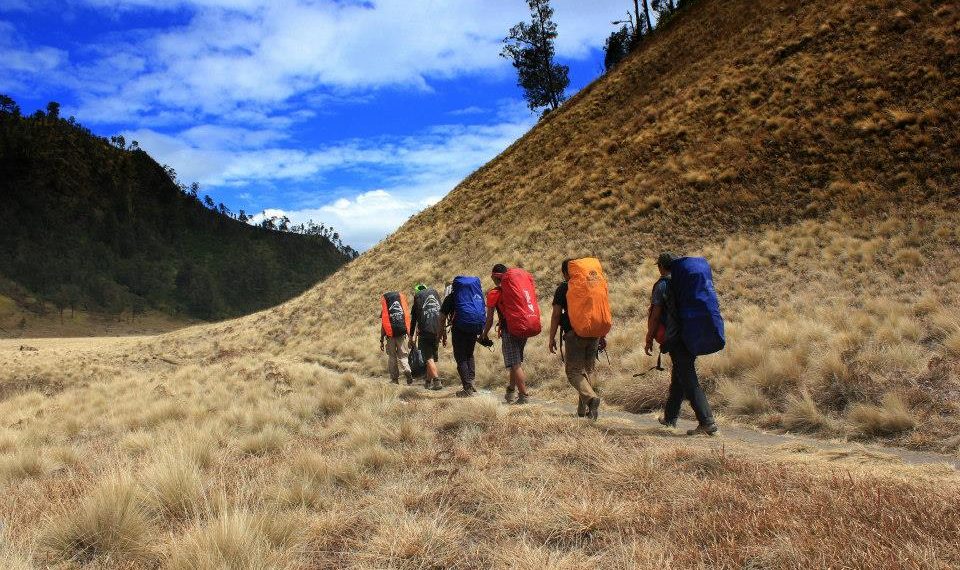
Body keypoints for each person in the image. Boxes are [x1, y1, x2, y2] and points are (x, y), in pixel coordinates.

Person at [645, 252, 718, 436]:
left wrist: (649, 337)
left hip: (676, 338)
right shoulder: (683, 282)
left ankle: (707, 422)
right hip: (690, 334)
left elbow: (655, 315)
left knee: (688, 379)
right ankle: (670, 418)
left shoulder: (663, 285)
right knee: (679, 377)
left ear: (661, 266)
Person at [549, 260, 601, 420]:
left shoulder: (564, 287)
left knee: (573, 372)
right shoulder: (591, 284)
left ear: (566, 272)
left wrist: (551, 338)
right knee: (588, 370)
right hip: (594, 332)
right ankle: (583, 411)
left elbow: (556, 315)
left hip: (574, 334)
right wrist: (602, 334)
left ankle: (591, 399)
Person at [481, 264, 530, 405]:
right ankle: (510, 391)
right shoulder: (517, 288)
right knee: (515, 361)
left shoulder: (494, 293)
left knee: (515, 363)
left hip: (509, 330)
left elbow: (490, 319)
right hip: (524, 328)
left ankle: (523, 396)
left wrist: (484, 334)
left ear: (494, 277)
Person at [440, 277, 484, 397]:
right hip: (474, 328)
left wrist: (440, 334)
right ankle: (471, 382)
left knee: (461, 357)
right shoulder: (474, 296)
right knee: (469, 354)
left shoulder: (452, 297)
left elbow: (442, 317)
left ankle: (467, 388)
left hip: (459, 329)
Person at [410, 283, 443, 390]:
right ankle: (428, 382)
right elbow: (442, 315)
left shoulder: (418, 302)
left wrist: (411, 337)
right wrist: (443, 334)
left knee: (428, 358)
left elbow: (413, 321)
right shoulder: (435, 298)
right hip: (437, 332)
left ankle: (437, 381)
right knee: (431, 357)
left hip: (424, 333)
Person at [379, 291, 413, 385]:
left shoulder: (385, 310)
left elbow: (383, 326)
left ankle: (394, 379)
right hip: (401, 336)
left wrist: (381, 340)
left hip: (390, 337)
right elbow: (407, 321)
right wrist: (410, 337)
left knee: (392, 357)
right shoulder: (401, 308)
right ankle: (407, 370)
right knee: (403, 356)